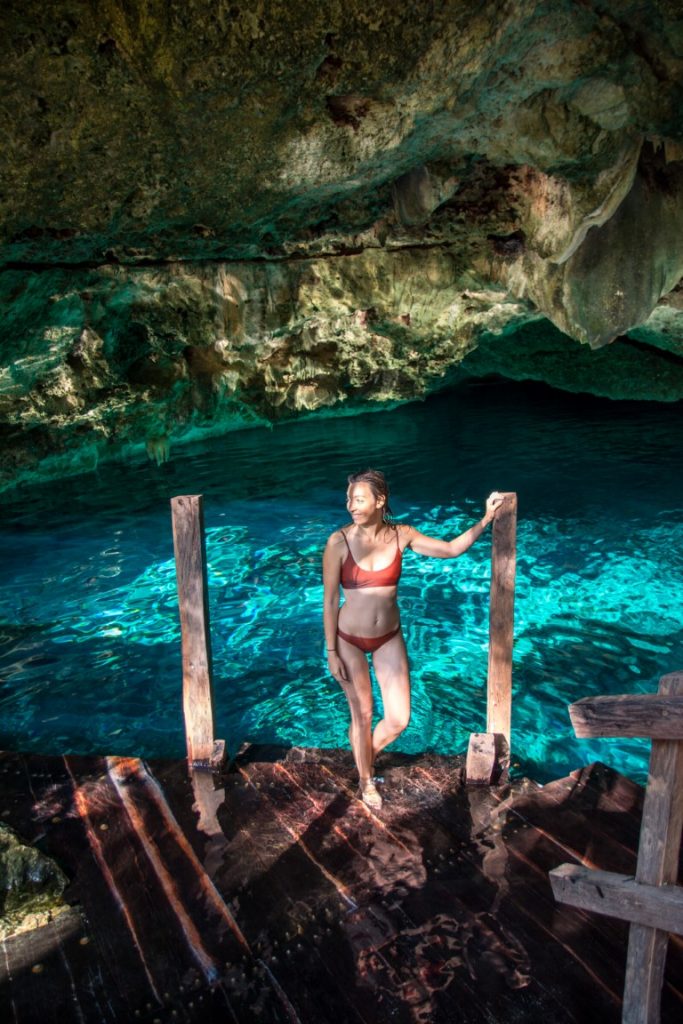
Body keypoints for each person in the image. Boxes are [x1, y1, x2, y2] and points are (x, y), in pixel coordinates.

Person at [322, 469, 504, 811]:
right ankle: (364, 779)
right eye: (349, 500)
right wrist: (331, 651)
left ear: (379, 501)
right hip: (347, 640)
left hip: (389, 637)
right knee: (362, 713)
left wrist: (486, 518)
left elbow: (450, 550)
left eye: (359, 500)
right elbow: (330, 600)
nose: (351, 506)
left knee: (399, 719)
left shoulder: (401, 535)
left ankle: (364, 755)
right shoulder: (338, 542)